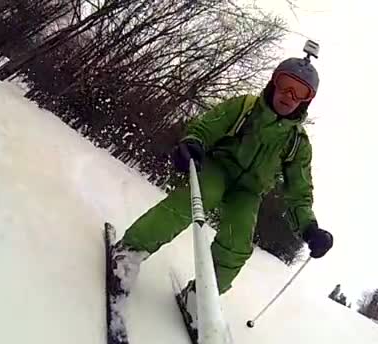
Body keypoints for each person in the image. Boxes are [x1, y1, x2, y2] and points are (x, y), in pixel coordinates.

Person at [109, 47, 334, 335]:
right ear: (274, 82)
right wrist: (192, 143)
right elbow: (206, 127)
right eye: (285, 86)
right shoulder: (245, 108)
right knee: (196, 200)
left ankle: (199, 297)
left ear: (307, 101)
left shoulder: (297, 144)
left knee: (238, 241)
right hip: (218, 167)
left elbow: (298, 192)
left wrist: (309, 229)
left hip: (249, 191)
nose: (288, 97)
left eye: (299, 93)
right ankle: (128, 253)